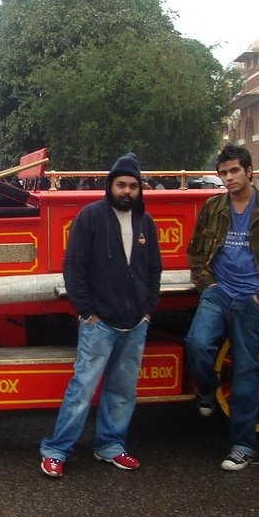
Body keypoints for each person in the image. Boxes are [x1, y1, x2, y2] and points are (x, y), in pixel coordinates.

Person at [39, 153, 162, 478]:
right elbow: (73, 268)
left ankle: (110, 445)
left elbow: (153, 269)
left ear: (139, 189)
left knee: (122, 391)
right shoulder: (90, 217)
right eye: (121, 184)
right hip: (100, 323)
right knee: (82, 389)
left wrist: (148, 310)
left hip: (135, 322)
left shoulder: (145, 222)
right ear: (110, 185)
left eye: (132, 186)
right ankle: (56, 449)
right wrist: (87, 312)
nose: (126, 191)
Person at [184, 144, 259, 471]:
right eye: (223, 173)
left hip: (251, 298)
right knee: (197, 343)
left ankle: (243, 446)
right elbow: (196, 252)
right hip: (218, 292)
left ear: (249, 171)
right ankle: (207, 391)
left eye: (234, 171)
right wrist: (209, 284)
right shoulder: (213, 207)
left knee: (247, 370)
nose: (228, 178)